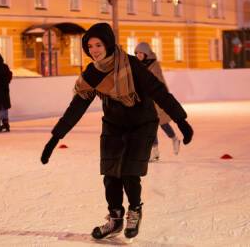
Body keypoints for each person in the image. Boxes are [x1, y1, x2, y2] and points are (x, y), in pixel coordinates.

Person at [40, 23, 193, 240]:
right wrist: (55, 138)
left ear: (108, 43)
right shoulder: (92, 74)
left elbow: (158, 91)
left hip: (142, 122)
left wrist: (181, 120)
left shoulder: (130, 64)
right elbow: (76, 107)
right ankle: (115, 219)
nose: (94, 50)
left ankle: (135, 211)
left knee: (130, 172)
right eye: (90, 46)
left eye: (98, 44)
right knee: (111, 174)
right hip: (113, 123)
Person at [135, 42, 181, 162]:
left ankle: (175, 139)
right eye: (137, 53)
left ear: (146, 53)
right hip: (146, 101)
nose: (139, 55)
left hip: (157, 99)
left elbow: (158, 81)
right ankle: (154, 152)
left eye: (141, 53)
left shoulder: (154, 65)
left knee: (163, 123)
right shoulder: (139, 65)